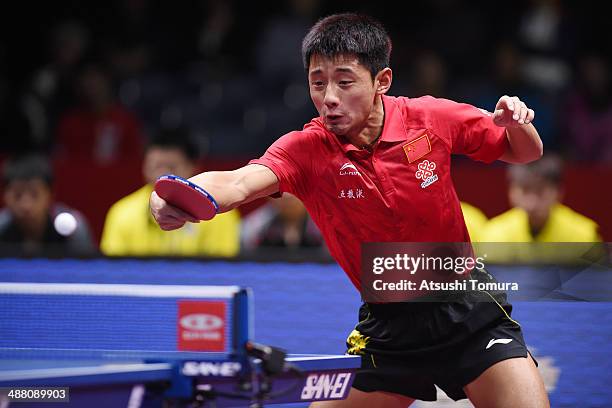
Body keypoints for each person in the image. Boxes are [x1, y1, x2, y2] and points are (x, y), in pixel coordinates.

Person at [150, 14, 548, 407]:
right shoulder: (307, 150)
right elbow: (237, 182)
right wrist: (169, 195)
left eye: (344, 82)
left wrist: (518, 123)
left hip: (466, 310)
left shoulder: (429, 118)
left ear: (382, 81)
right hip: (389, 328)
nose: (330, 99)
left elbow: (526, 151)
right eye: (317, 83)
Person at [101, 128, 240, 257]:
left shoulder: (218, 213)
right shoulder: (122, 213)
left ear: (193, 167)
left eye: (171, 167)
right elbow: (116, 272)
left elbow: (220, 271)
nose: (163, 176)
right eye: (156, 167)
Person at [0, 155, 95, 256]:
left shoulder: (74, 231)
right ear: (4, 195)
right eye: (17, 195)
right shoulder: (1, 228)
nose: (26, 205)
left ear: (50, 195)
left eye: (34, 194)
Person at [241, 192, 323, 251]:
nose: (286, 196)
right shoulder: (254, 227)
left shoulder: (326, 227)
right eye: (280, 189)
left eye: (293, 189)